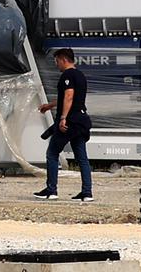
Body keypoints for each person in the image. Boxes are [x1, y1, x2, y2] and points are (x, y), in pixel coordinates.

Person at [35, 47, 93, 201]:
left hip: (70, 122)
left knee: (52, 153)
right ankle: (87, 193)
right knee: (82, 158)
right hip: (81, 121)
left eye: (56, 61)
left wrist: (62, 118)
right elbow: (71, 98)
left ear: (63, 59)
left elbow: (69, 96)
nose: (56, 64)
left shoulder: (67, 75)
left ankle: (51, 190)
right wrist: (50, 105)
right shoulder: (80, 75)